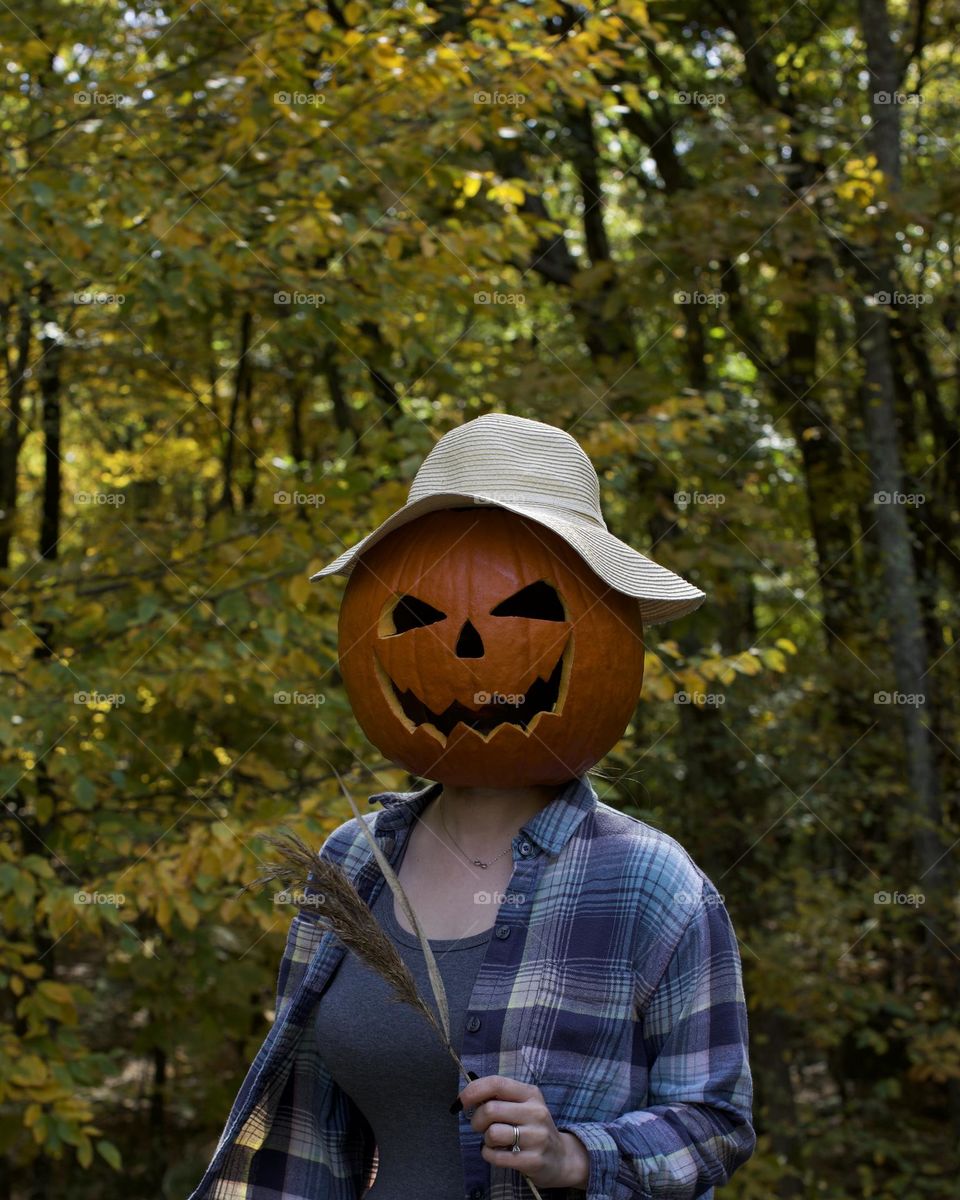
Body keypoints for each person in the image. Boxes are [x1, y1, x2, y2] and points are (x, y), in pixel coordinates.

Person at [187, 413, 755, 1200]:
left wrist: (575, 1156)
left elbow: (717, 1119)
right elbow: (307, 1129)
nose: (466, 649)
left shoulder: (652, 883)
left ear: (611, 627)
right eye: (417, 615)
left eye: (522, 609)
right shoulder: (352, 863)